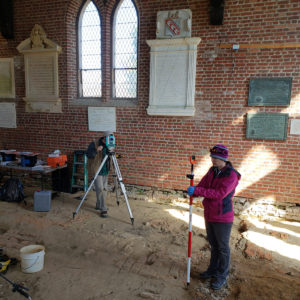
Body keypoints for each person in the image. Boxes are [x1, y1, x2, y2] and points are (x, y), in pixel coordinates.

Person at [187, 144, 241, 290]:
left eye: (215, 157)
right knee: (214, 245)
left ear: (223, 158)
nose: (212, 159)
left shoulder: (231, 175)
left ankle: (221, 275)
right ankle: (212, 269)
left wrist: (199, 190)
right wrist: (194, 191)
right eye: (212, 157)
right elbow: (203, 185)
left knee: (222, 247)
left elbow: (219, 194)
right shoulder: (212, 171)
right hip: (209, 213)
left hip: (223, 217)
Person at [87, 134, 111, 218]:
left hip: (105, 170)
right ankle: (103, 209)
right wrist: (96, 150)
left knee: (103, 188)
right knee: (100, 188)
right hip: (97, 169)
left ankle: (98, 204)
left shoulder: (109, 145)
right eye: (107, 139)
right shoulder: (94, 143)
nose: (108, 141)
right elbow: (89, 155)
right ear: (104, 138)